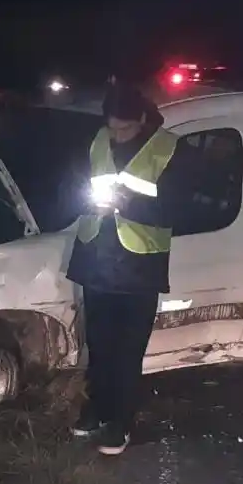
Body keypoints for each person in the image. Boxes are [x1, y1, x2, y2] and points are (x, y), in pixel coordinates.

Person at [66, 80, 179, 455]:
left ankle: (120, 423)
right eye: (112, 127)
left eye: (124, 128)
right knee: (99, 345)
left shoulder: (168, 148)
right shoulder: (98, 140)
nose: (116, 135)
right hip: (97, 258)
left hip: (138, 267)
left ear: (142, 119)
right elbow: (73, 185)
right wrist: (85, 203)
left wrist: (127, 205)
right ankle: (96, 411)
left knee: (128, 350)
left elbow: (183, 209)